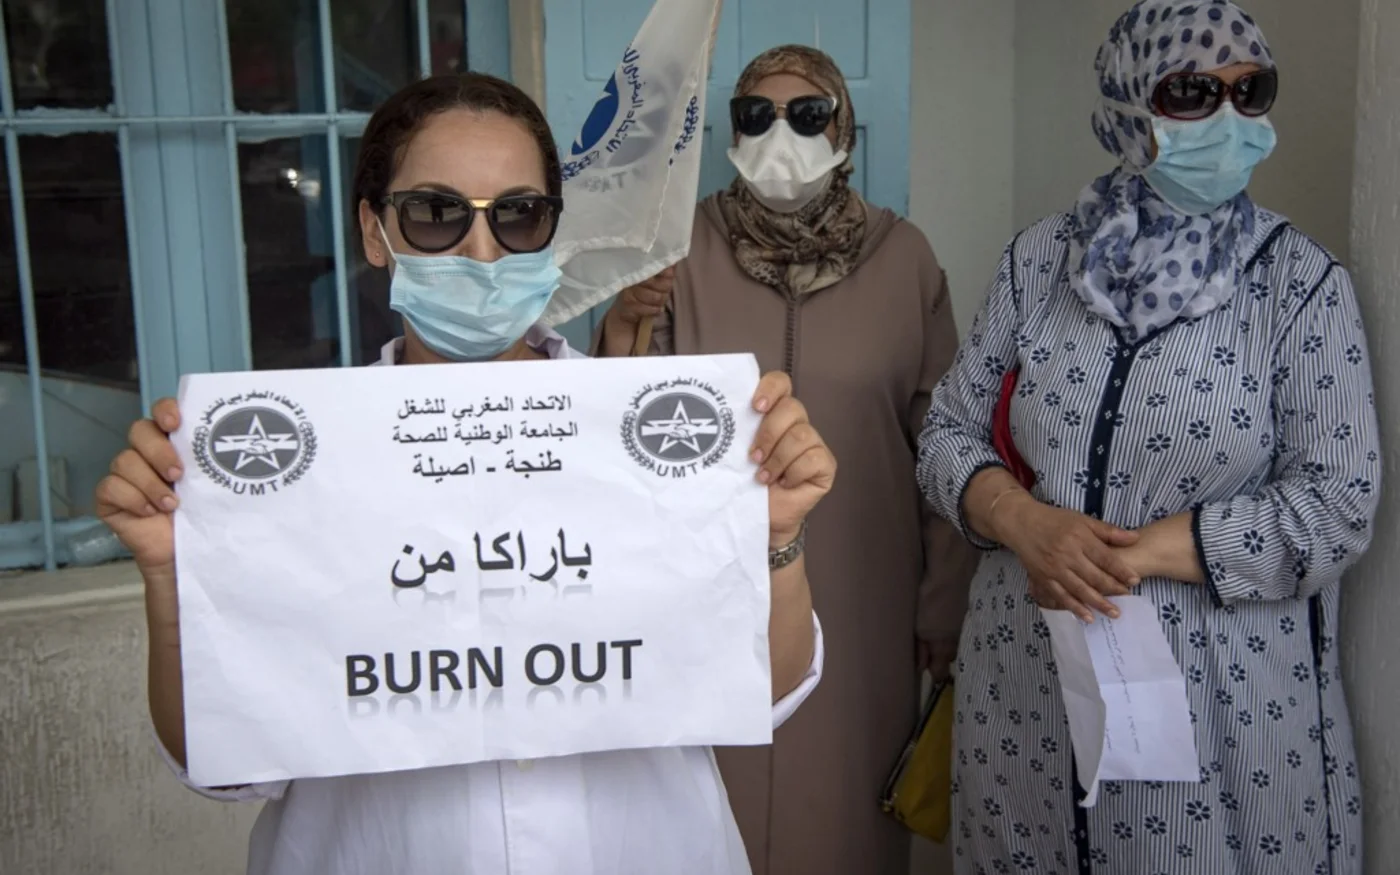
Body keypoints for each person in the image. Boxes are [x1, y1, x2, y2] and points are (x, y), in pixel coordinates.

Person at [94, 73, 838, 875]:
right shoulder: (289, 478)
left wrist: (777, 540)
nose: (482, 252)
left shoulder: (652, 436)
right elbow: (229, 757)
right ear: (375, 233)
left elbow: (763, 688)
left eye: (519, 214)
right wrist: (176, 581)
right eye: (436, 213)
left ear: (552, 232)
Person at [917, 3, 1378, 873]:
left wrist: (1162, 549)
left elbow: (1340, 500)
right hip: (1029, 691)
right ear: (1131, 103)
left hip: (1220, 705)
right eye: (1194, 92)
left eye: (1253, 91)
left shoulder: (1300, 285)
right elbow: (947, 431)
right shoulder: (1037, 264)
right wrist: (1022, 520)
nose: (1231, 119)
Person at [595, 45, 978, 875]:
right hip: (712, 588)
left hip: (867, 591)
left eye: (806, 116)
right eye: (755, 115)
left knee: (846, 817)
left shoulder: (902, 256)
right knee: (710, 810)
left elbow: (944, 442)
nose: (780, 134)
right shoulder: (679, 250)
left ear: (842, 128)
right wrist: (627, 315)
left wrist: (942, 609)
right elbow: (620, 427)